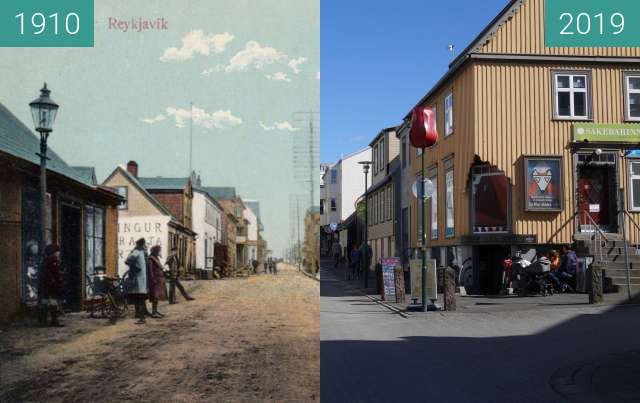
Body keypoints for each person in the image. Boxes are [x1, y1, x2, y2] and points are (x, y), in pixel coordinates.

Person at [39, 244, 65, 327]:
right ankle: (54, 320)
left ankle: (43, 321)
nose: (59, 253)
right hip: (51, 284)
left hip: (44, 284)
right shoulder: (53, 260)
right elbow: (55, 272)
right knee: (53, 302)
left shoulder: (45, 260)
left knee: (45, 301)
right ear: (54, 252)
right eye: (57, 252)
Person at [125, 238, 149, 324]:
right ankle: (141, 317)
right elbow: (127, 261)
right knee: (140, 297)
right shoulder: (136, 252)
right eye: (144, 244)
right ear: (141, 245)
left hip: (141, 279)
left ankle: (139, 314)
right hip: (137, 279)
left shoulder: (142, 252)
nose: (145, 246)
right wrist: (135, 268)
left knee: (140, 297)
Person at [147, 245, 167, 318]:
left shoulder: (156, 258)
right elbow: (150, 271)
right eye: (159, 251)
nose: (160, 252)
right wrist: (153, 279)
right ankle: (153, 312)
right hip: (154, 281)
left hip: (158, 280)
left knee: (157, 296)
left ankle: (155, 311)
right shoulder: (151, 259)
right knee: (154, 296)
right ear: (156, 251)